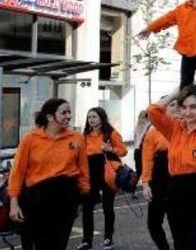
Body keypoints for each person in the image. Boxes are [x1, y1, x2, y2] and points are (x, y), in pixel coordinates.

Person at [147, 85, 196, 250]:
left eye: (193, 107)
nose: (188, 112)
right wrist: (175, 94)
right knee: (180, 244)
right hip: (176, 195)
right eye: (184, 107)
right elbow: (153, 111)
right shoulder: (174, 129)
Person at [9, 99, 89, 250]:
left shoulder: (77, 138)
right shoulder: (30, 139)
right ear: (50, 116)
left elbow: (83, 170)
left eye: (69, 112)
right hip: (36, 198)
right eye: (64, 112)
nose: (68, 116)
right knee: (35, 243)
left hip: (66, 198)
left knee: (58, 244)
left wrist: (81, 199)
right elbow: (17, 172)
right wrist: (14, 203)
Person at [79, 108, 128, 250]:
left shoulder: (110, 134)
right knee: (87, 207)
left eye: (94, 117)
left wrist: (111, 149)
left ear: (102, 118)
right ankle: (86, 240)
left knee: (108, 206)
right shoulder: (84, 136)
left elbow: (123, 151)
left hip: (107, 172)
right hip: (89, 173)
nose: (91, 120)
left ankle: (108, 237)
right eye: (89, 117)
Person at [141, 105, 173, 250]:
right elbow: (147, 159)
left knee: (178, 222)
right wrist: (146, 183)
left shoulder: (185, 129)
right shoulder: (153, 133)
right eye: (170, 106)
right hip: (159, 180)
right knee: (153, 223)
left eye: (176, 105)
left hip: (179, 179)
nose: (173, 109)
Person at [134, 110, 151, 194]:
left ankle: (133, 189)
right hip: (142, 150)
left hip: (136, 150)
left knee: (139, 171)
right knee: (144, 170)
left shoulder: (137, 126)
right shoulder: (147, 125)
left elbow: (136, 139)